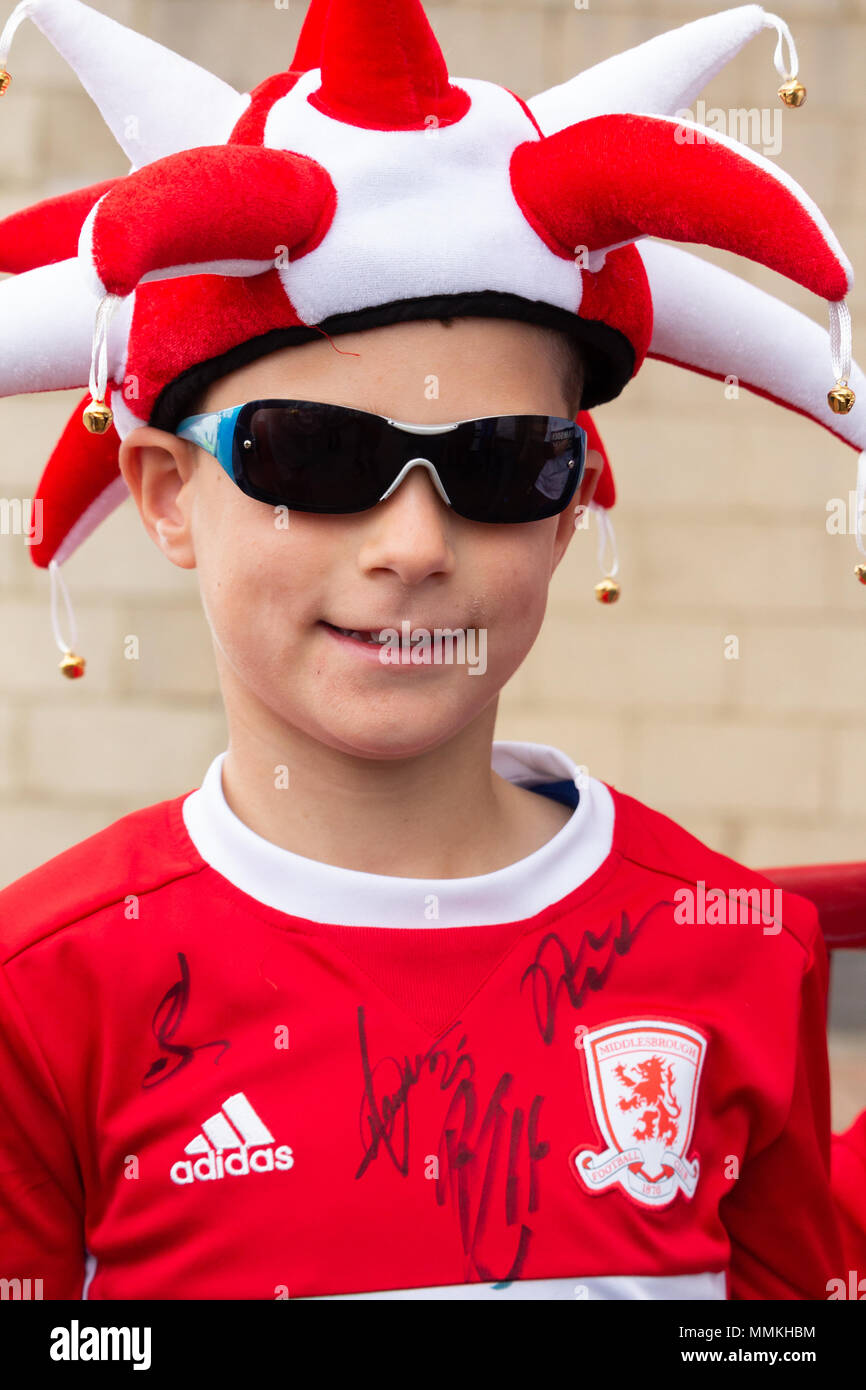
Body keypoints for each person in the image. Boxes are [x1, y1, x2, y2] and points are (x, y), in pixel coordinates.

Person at [0, 0, 862, 1301]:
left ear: (571, 506)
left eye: (503, 463)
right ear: (167, 493)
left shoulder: (740, 951)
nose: (412, 541)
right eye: (318, 453)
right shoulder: (41, 994)